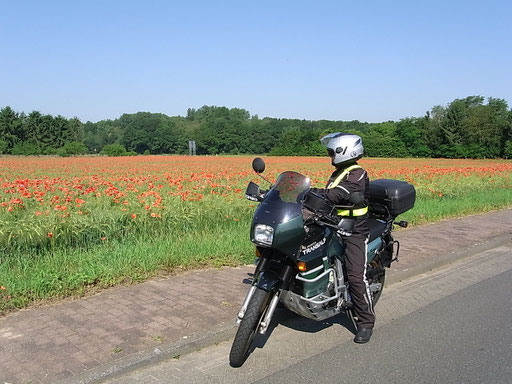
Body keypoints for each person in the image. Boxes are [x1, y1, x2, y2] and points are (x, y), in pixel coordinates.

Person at [310, 132, 374, 344]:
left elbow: (337, 194)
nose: (329, 155)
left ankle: (366, 322)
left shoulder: (357, 174)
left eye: (331, 152)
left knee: (356, 276)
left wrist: (309, 193)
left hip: (355, 230)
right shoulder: (340, 171)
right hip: (334, 224)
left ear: (343, 152)